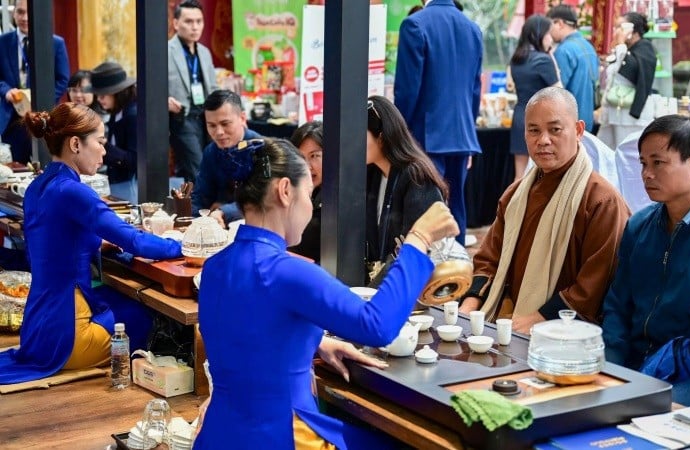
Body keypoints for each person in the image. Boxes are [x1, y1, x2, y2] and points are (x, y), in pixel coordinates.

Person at [193, 137, 458, 449]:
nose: (311, 206)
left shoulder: (215, 266)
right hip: (283, 436)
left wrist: (313, 340)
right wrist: (418, 239)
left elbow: (248, 325)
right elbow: (378, 325)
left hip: (220, 433)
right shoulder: (289, 271)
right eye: (309, 194)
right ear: (285, 191)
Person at [0, 103, 182, 384]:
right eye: (100, 142)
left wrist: (97, 245)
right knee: (148, 315)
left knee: (118, 299)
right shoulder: (74, 191)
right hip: (69, 338)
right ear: (75, 144)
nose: (104, 151)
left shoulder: (37, 187)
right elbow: (135, 241)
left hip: (36, 329)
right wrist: (181, 246)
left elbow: (57, 240)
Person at [459, 87, 629, 334]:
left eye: (555, 130)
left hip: (567, 332)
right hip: (509, 319)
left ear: (579, 130)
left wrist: (539, 318)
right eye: (534, 130)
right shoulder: (516, 195)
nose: (543, 140)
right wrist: (469, 308)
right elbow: (488, 260)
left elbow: (594, 283)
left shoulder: (602, 202)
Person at [602, 114, 690, 406]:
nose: (646, 174)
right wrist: (609, 366)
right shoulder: (639, 226)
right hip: (633, 362)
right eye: (643, 163)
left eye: (658, 163)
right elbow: (618, 305)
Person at [394, 0, 483, 245]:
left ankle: (427, 267)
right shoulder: (472, 28)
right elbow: (475, 89)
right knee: (455, 208)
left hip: (424, 135)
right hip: (461, 134)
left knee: (424, 210)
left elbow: (407, 90)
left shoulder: (415, 24)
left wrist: (398, 133)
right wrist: (469, 128)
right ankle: (457, 265)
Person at [365, 95, 448, 284]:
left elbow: (417, 249)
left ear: (381, 137)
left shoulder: (416, 176)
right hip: (383, 282)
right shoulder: (372, 173)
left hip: (411, 286)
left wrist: (375, 289)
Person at [0, 0, 70, 163]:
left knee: (46, 164)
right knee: (16, 167)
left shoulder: (55, 43)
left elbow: (62, 79)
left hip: (44, 117)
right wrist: (6, 91)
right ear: (13, 13)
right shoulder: (3, 42)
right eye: (20, 12)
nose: (25, 18)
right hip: (12, 119)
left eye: (28, 12)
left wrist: (40, 101)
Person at [191, 89, 261, 227]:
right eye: (211, 125)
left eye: (225, 124)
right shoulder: (211, 151)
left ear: (242, 118)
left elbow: (259, 199)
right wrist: (193, 222)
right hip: (215, 225)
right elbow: (200, 196)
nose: (219, 132)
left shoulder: (261, 148)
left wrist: (223, 211)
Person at [168, 0, 217, 184]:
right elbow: (147, 86)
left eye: (199, 21)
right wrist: (164, 100)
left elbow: (212, 87)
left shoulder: (204, 52)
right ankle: (198, 201)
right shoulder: (165, 51)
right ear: (176, 23)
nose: (195, 27)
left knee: (212, 163)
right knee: (197, 167)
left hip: (206, 116)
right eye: (188, 21)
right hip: (182, 117)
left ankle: (200, 199)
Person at [508, 15, 560, 181]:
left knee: (520, 174)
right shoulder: (543, 60)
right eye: (548, 34)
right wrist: (551, 56)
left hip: (520, 116)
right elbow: (560, 92)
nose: (551, 38)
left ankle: (515, 199)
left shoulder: (517, 59)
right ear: (539, 35)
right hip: (541, 119)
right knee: (542, 174)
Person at [597, 12, 657, 150]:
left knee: (626, 154)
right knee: (602, 151)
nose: (616, 31)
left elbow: (631, 70)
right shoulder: (624, 49)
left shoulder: (645, 48)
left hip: (629, 118)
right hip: (613, 114)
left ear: (632, 30)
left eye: (620, 27)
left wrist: (620, 45)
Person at [87, 62, 139, 203]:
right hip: (117, 184)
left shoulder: (133, 115)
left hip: (130, 187)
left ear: (118, 93)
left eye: (103, 95)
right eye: (97, 95)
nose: (99, 99)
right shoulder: (117, 111)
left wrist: (104, 146)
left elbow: (136, 160)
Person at [546, 4, 599, 133]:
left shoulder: (564, 50)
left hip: (567, 122)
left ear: (559, 23)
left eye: (549, 26)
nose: (548, 32)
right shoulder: (589, 47)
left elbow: (556, 90)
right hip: (587, 120)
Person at [287, 120, 323, 262]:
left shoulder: (339, 199)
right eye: (301, 158)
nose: (307, 166)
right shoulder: (290, 190)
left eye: (314, 156)